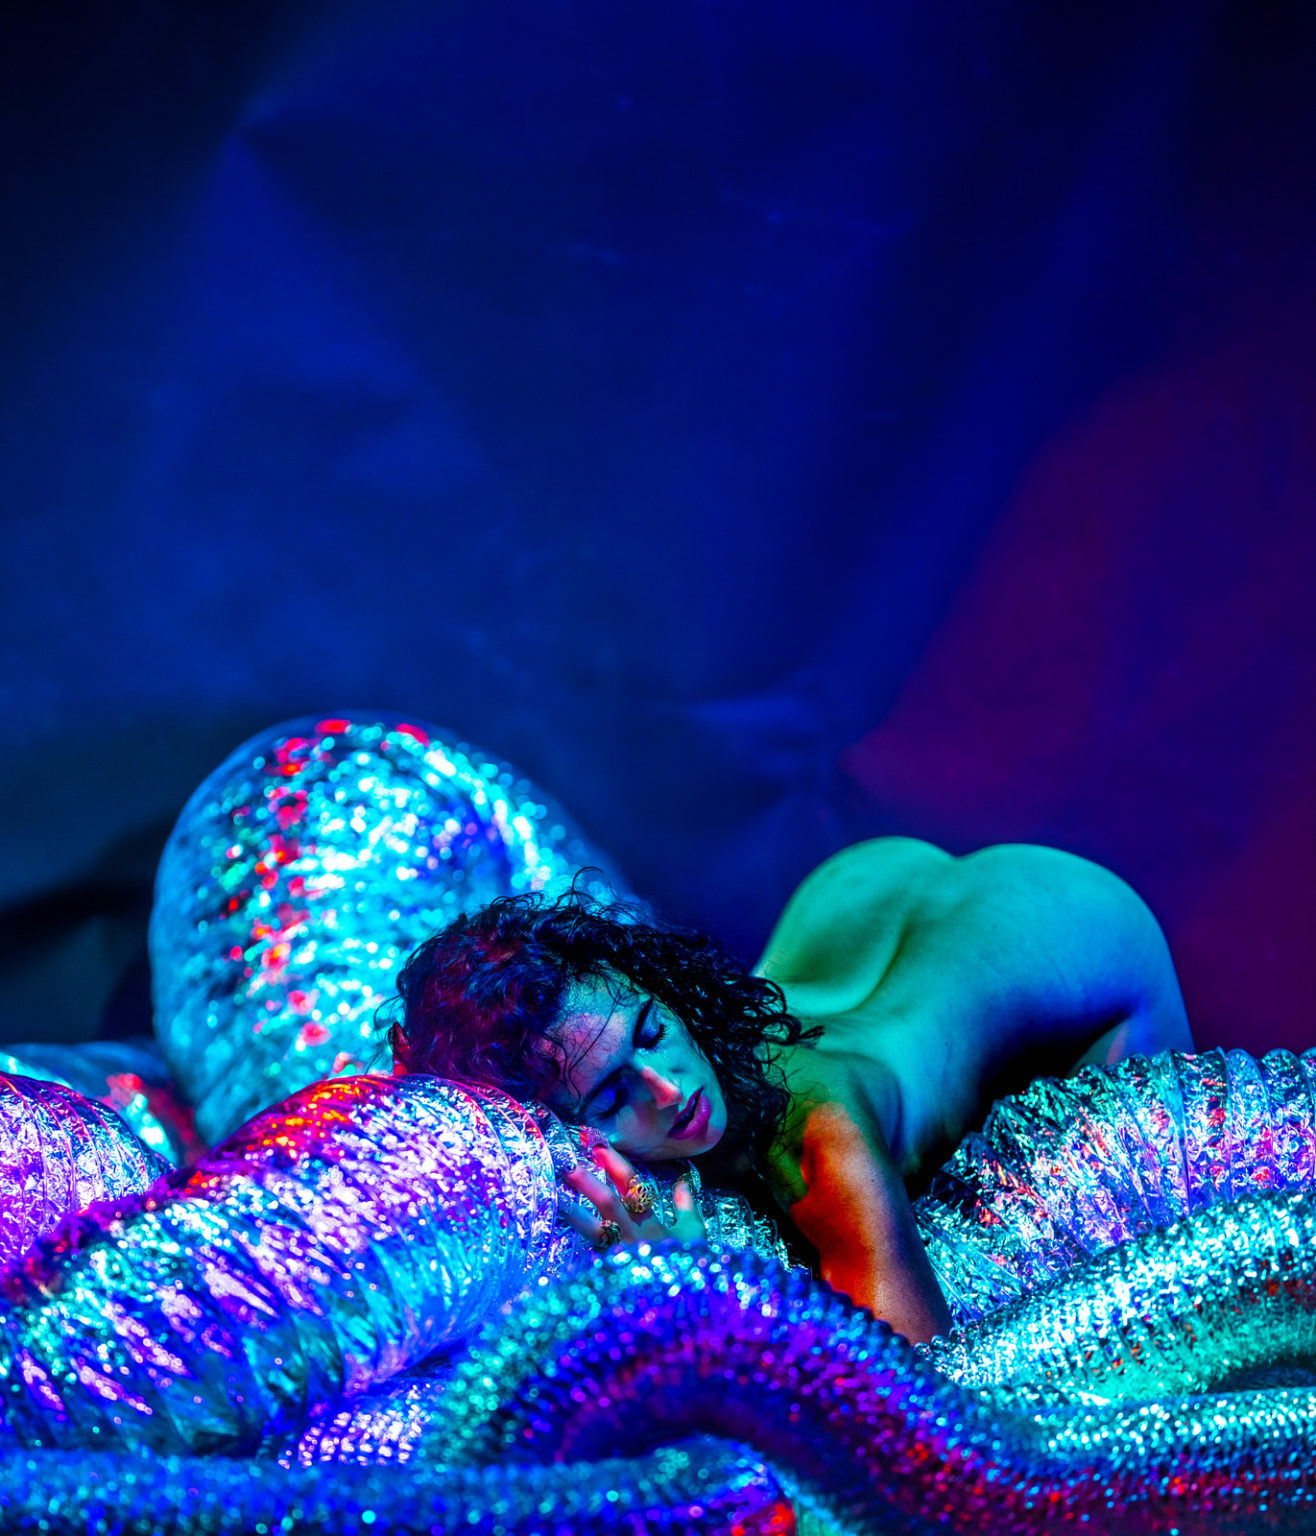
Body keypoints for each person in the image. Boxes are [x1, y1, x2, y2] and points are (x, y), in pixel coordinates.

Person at [390, 838, 1194, 1342]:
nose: (667, 1092)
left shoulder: (819, 1134)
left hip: (1079, 938)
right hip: (863, 890)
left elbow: (915, 1424)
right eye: (609, 1099)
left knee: (1162, 1266)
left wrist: (695, 1293)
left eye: (652, 1032)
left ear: (654, 984)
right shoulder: (635, 1095)